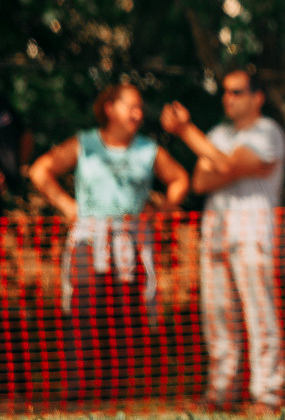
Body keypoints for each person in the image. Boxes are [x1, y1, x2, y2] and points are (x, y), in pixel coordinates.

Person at [27, 83, 189, 402]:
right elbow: (40, 170)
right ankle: (79, 391)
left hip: (129, 243)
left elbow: (179, 179)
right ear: (109, 109)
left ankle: (119, 394)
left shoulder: (148, 149)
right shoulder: (84, 143)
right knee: (84, 312)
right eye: (131, 106)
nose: (138, 113)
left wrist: (163, 209)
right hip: (88, 240)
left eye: (141, 107)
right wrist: (66, 205)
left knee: (125, 315)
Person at [161, 69, 285, 412]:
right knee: (217, 317)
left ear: (256, 97)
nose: (227, 98)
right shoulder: (217, 132)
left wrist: (188, 132)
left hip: (252, 236)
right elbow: (201, 180)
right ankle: (221, 392)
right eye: (225, 92)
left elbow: (230, 163)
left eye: (236, 92)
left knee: (259, 315)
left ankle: (267, 394)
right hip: (216, 235)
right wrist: (227, 164)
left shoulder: (268, 132)